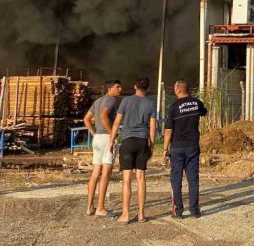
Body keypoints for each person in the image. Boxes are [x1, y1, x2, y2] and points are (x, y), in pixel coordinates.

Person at [110, 76, 157, 224]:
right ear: (148, 88)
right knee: (141, 178)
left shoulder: (126, 101)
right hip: (142, 141)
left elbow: (117, 122)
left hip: (128, 141)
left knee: (127, 180)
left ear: (135, 86)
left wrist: (111, 140)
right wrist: (151, 145)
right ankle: (141, 214)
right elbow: (153, 127)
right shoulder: (150, 103)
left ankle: (125, 215)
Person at [163, 79, 207, 219]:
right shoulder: (197, 103)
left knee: (176, 179)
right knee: (193, 178)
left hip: (177, 147)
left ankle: (178, 211)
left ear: (179, 90)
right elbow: (204, 112)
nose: (174, 90)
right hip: (193, 146)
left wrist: (165, 148)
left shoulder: (174, 107)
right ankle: (194, 210)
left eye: (175, 88)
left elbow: (168, 130)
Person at [83, 79, 122, 217]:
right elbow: (103, 116)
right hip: (106, 139)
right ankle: (100, 208)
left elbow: (86, 119)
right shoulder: (111, 100)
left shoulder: (97, 101)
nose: (120, 89)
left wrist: (94, 133)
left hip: (98, 138)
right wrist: (112, 134)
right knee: (105, 174)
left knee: (95, 173)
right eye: (117, 87)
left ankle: (89, 207)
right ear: (110, 89)